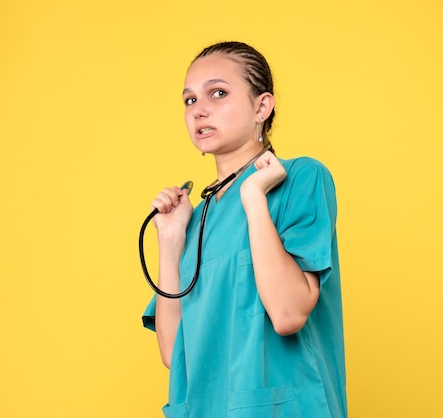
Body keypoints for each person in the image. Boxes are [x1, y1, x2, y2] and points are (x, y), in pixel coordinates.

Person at [142, 41, 347, 417]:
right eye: (189, 101)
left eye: (218, 93)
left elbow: (288, 314)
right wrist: (170, 242)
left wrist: (253, 196)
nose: (199, 110)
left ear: (261, 107)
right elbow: (175, 353)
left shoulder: (302, 179)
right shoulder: (197, 217)